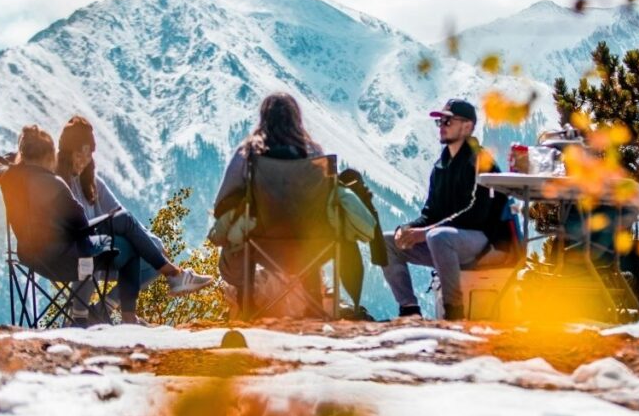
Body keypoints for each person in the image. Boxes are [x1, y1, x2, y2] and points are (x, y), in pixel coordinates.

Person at [0, 125, 207, 325]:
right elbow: (80, 226)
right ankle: (172, 277)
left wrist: (13, 165)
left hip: (32, 256)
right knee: (126, 224)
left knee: (129, 243)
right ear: (49, 155)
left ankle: (129, 312)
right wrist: (110, 226)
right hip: (68, 257)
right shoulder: (54, 184)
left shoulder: (11, 177)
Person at [213, 92, 371, 310]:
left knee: (240, 237)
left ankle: (247, 304)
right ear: (297, 118)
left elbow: (222, 203)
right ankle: (314, 305)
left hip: (260, 245)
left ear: (263, 118)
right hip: (314, 246)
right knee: (307, 234)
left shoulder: (248, 153)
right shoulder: (314, 153)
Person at [55, 116, 213, 323]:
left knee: (151, 248)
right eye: (79, 153)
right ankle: (174, 274)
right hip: (75, 250)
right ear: (66, 152)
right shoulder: (55, 181)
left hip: (100, 250)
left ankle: (105, 308)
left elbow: (119, 211)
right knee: (134, 240)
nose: (84, 160)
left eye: (89, 154)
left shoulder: (92, 183)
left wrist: (152, 241)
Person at [382, 99, 509, 320]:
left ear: (467, 127)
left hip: (487, 243)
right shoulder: (440, 167)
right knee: (386, 241)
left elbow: (476, 214)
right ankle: (410, 310)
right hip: (449, 242)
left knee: (439, 236)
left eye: (447, 120)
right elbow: (431, 212)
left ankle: (454, 312)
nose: (441, 125)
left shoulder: (481, 161)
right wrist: (408, 228)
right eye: (440, 121)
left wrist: (426, 232)